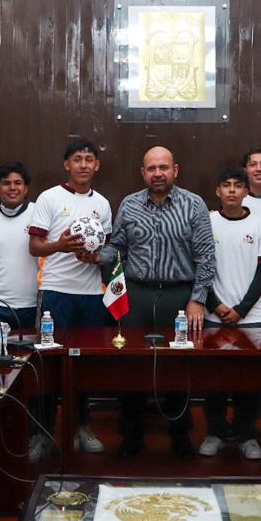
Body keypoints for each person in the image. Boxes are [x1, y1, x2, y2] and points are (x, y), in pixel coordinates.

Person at [101, 146, 216, 459]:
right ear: (143, 173)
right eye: (151, 168)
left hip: (180, 297)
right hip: (136, 295)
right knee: (131, 364)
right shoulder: (129, 204)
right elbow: (117, 247)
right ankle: (132, 433)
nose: (158, 174)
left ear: (175, 170)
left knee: (178, 365)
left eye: (163, 167)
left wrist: (197, 300)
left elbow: (206, 257)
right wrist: (94, 254)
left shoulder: (193, 204)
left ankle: (179, 434)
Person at [29, 139, 113, 455]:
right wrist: (60, 246)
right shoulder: (49, 198)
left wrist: (95, 257)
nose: (83, 164)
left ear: (97, 166)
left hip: (90, 294)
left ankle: (82, 427)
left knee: (85, 365)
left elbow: (105, 248)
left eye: (89, 159)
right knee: (48, 364)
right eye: (77, 159)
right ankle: (41, 433)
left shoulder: (102, 204)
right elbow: (35, 247)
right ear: (67, 164)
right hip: (55, 292)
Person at [199, 168, 261, 461]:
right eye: (226, 185)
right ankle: (215, 432)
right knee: (213, 380)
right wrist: (215, 305)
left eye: (237, 185)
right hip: (213, 316)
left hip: (250, 318)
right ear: (218, 191)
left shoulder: (260, 223)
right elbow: (200, 268)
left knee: (248, 382)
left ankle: (247, 435)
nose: (231, 190)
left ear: (246, 191)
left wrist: (241, 309)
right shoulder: (207, 221)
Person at [0, 162, 39, 330]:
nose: (12, 188)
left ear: (26, 188)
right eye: (6, 183)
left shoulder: (38, 213)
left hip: (31, 303)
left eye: (18, 183)